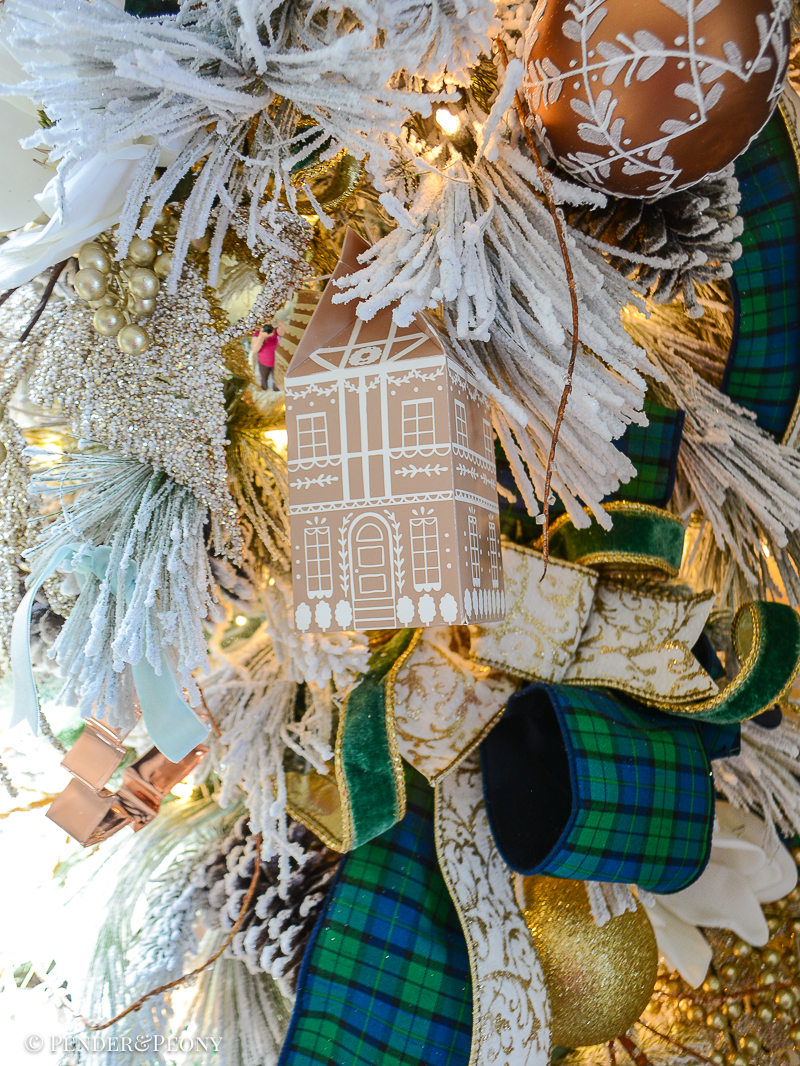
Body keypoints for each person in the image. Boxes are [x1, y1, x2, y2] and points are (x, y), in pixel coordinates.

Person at [251, 323, 281, 390]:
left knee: (277, 379)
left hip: (276, 362)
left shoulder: (275, 330)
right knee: (264, 378)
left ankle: (276, 389)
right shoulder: (257, 333)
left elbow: (286, 330)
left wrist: (277, 320)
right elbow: (255, 349)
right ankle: (264, 388)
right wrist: (261, 336)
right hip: (263, 362)